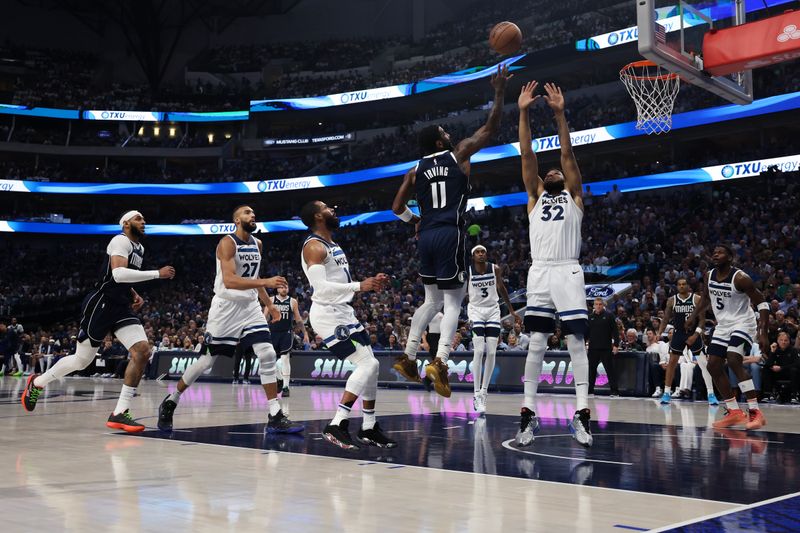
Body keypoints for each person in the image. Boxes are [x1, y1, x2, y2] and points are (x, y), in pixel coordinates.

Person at [391, 64, 512, 398]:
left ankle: (409, 355)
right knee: (454, 301)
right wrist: (499, 91)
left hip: (426, 236)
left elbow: (396, 209)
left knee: (430, 300)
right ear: (438, 140)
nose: (448, 132)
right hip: (449, 233)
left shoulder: (416, 170)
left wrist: (414, 221)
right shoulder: (458, 153)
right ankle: (440, 361)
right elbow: (491, 128)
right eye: (444, 131)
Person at [21, 210, 176, 432]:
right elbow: (118, 275)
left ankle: (120, 413)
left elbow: (123, 278)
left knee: (142, 351)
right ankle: (37, 383)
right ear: (125, 224)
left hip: (121, 306)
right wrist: (156, 274)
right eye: (138, 219)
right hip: (101, 304)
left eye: (143, 219)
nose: (144, 222)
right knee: (81, 361)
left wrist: (132, 293)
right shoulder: (120, 240)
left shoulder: (139, 248)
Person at [157, 205, 302, 434]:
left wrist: (270, 304)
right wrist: (265, 283)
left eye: (254, 212)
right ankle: (171, 400)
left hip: (250, 306)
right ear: (236, 219)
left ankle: (274, 414)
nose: (252, 215)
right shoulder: (227, 243)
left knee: (267, 353)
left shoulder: (258, 244)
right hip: (226, 307)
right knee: (206, 362)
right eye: (247, 213)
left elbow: (253, 278)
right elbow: (231, 280)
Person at [515, 81, 593, 447]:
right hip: (540, 270)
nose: (551, 172)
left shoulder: (575, 197)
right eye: (547, 174)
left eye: (556, 173)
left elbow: (566, 155)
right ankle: (528, 415)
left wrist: (560, 115)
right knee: (536, 344)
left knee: (577, 342)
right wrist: (524, 111)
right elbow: (527, 154)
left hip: (567, 268)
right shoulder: (534, 197)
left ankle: (581, 414)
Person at [300, 200, 395, 450]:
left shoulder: (333, 245)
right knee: (369, 363)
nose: (334, 209)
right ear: (318, 216)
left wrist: (370, 283)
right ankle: (337, 423)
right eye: (328, 208)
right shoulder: (314, 247)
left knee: (372, 368)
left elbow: (339, 280)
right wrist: (359, 285)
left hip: (343, 311)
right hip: (328, 314)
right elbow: (319, 287)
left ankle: (368, 427)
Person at [686, 244, 769, 429]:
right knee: (713, 365)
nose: (715, 253)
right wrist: (692, 317)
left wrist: (763, 333)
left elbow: (762, 303)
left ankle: (756, 412)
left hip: (744, 323)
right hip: (723, 325)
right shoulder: (709, 275)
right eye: (714, 251)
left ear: (730, 258)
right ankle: (734, 411)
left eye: (720, 252)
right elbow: (706, 299)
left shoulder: (740, 278)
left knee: (733, 360)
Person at [466, 245, 520, 414]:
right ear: (473, 255)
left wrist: (511, 310)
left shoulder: (494, 269)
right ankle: (475, 393)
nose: (481, 254)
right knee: (478, 350)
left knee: (491, 352)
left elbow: (501, 288)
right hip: (475, 311)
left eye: (483, 252)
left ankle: (484, 392)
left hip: (492, 311)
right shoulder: (467, 271)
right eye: (477, 252)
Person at [654, 278, 713, 404]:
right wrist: (659, 333)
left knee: (703, 364)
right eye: (679, 284)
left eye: (684, 284)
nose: (681, 286)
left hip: (693, 334)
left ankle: (711, 393)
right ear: (677, 286)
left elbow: (702, 321)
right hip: (678, 333)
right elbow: (665, 319)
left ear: (688, 286)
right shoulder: (671, 300)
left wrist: (695, 335)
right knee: (671, 364)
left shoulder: (696, 299)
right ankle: (666, 393)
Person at [269, 284, 309, 396]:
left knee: (285, 358)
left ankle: (286, 387)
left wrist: (305, 333)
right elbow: (264, 317)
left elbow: (298, 319)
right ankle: (279, 379)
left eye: (286, 287)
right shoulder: (271, 300)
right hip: (272, 332)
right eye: (281, 287)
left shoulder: (292, 301)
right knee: (270, 359)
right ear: (277, 289)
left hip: (286, 333)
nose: (284, 289)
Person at [587, 298, 619, 397]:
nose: (598, 306)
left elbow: (615, 331)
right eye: (596, 304)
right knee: (591, 370)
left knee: (610, 370)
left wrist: (616, 345)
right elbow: (586, 332)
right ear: (594, 306)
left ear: (603, 305)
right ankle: (590, 391)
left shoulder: (609, 316)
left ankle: (614, 391)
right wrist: (584, 344)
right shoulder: (590, 317)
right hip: (593, 348)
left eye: (600, 304)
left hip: (606, 348)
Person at [761, 332, 799, 402]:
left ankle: (794, 395)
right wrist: (772, 352)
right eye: (781, 340)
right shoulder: (775, 350)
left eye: (785, 340)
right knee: (766, 369)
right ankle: (768, 394)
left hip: (788, 373)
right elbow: (768, 364)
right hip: (777, 373)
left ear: (789, 341)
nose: (783, 342)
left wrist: (781, 368)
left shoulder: (793, 350)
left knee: (794, 370)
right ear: (777, 341)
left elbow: (797, 364)